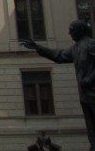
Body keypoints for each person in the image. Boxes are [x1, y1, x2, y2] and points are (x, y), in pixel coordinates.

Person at [21, 20, 95, 150]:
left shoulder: (91, 44)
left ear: (81, 31)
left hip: (93, 92)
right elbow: (59, 56)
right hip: (85, 96)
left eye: (72, 30)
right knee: (92, 129)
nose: (69, 33)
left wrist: (90, 78)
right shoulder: (76, 48)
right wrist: (38, 47)